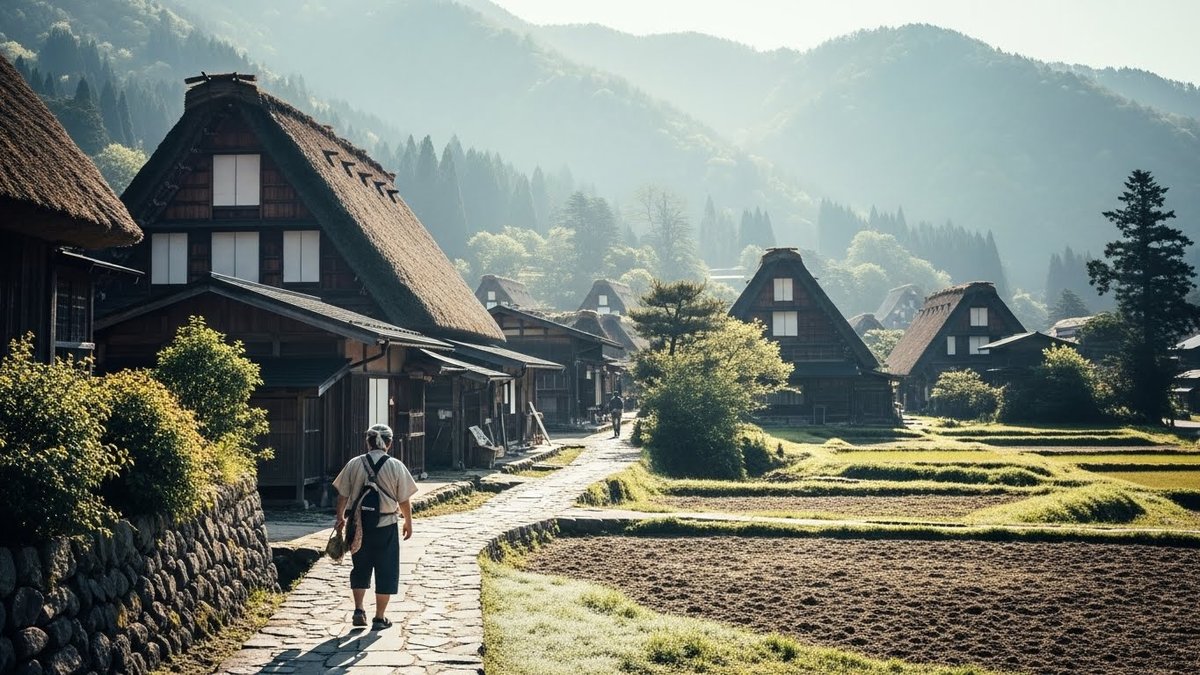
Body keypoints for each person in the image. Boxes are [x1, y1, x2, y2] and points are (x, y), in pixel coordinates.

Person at [333, 424, 418, 629]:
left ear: (368, 442)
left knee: (360, 567)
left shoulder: (354, 464)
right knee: (386, 569)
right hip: (386, 525)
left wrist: (340, 518)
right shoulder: (396, 466)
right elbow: (404, 499)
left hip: (358, 525)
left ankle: (359, 610)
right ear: (389, 443)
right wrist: (408, 521)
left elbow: (343, 494)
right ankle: (379, 617)